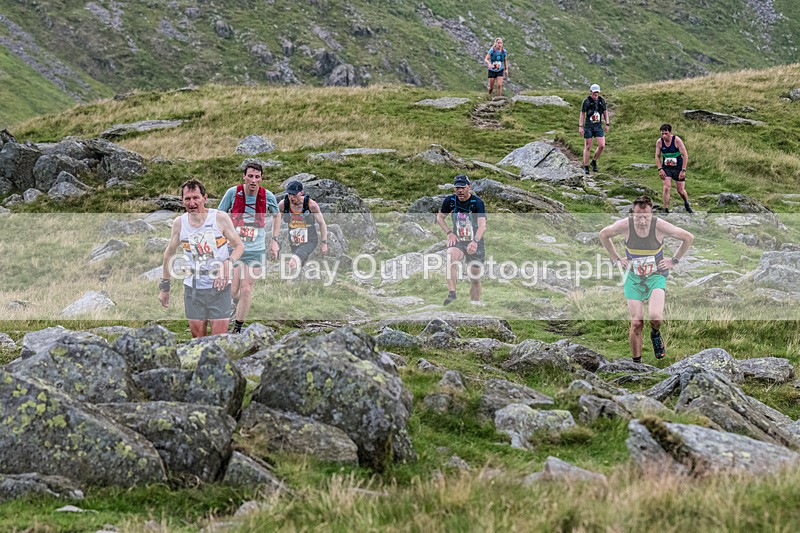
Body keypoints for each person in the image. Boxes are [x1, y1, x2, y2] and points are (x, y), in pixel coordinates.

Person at [598, 195, 693, 362]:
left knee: (656, 317)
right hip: (633, 276)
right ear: (633, 214)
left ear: (651, 214)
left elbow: (688, 237)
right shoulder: (625, 225)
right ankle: (637, 365)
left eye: (646, 217)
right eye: (638, 217)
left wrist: (674, 261)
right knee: (636, 322)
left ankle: (655, 333)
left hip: (655, 276)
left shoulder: (660, 226)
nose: (642, 221)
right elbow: (603, 234)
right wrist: (616, 260)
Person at [159, 179, 244, 338]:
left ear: (204, 198)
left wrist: (227, 264)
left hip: (219, 286)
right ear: (182, 201)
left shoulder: (219, 218)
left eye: (196, 198)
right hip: (193, 288)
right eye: (187, 199)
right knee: (198, 340)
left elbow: (239, 246)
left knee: (219, 340)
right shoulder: (180, 223)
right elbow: (169, 253)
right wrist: (165, 287)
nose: (192, 203)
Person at [218, 162, 280, 333]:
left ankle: (238, 327)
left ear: (261, 178)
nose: (253, 180)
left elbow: (277, 215)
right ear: (244, 177)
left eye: (257, 177)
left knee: (247, 288)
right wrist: (222, 238)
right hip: (235, 248)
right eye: (250, 176)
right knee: (232, 291)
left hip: (256, 250)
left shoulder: (268, 196)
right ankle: (238, 304)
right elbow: (219, 215)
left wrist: (274, 240)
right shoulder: (232, 193)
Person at [436, 174, 487, 306]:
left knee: (475, 277)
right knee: (450, 256)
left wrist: (475, 241)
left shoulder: (477, 203)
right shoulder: (450, 201)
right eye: (457, 187)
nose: (459, 190)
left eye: (462, 187)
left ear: (468, 187)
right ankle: (452, 294)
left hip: (475, 241)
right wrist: (449, 233)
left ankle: (475, 304)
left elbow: (482, 226)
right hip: (458, 239)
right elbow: (440, 217)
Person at [274, 180, 328, 276]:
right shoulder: (283, 204)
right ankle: (299, 286)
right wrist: (274, 239)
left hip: (309, 240)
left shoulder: (311, 205)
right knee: (299, 265)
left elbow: (322, 223)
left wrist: (324, 243)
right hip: (294, 240)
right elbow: (276, 220)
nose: (291, 197)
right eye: (289, 194)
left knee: (292, 263)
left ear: (301, 193)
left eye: (294, 194)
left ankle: (290, 284)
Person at [655, 124, 692, 214]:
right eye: (662, 133)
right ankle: (666, 209)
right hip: (666, 168)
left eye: (666, 133)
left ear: (670, 133)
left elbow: (685, 156)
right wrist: (660, 169)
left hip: (678, 168)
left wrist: (683, 170)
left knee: (680, 190)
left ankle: (686, 203)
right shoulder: (659, 142)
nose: (664, 136)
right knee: (667, 187)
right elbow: (657, 156)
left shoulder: (677, 140)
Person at [578, 83, 610, 174]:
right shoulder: (586, 101)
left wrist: (607, 124)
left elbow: (605, 112)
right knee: (587, 146)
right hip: (588, 127)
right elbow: (582, 113)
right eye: (594, 92)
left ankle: (594, 161)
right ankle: (586, 166)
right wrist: (580, 126)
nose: (595, 94)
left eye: (597, 93)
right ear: (591, 92)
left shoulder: (601, 101)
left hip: (598, 126)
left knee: (602, 145)